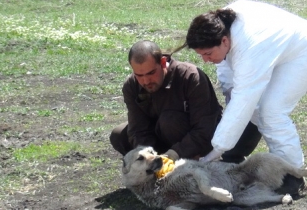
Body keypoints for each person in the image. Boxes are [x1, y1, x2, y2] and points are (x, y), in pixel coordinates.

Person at [184, 0, 307, 191]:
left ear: (224, 41)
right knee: (247, 103)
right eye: (201, 55)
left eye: (208, 53)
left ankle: (292, 175)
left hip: (306, 50)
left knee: (271, 110)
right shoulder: (221, 26)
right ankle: (235, 153)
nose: (205, 60)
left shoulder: (249, 47)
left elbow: (244, 98)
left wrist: (213, 153)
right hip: (276, 47)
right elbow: (231, 87)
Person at [109, 40, 261, 163]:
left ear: (163, 63)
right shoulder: (132, 85)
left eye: (151, 73)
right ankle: (157, 167)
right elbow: (138, 129)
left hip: (196, 142)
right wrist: (148, 155)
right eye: (139, 75)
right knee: (119, 135)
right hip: (160, 141)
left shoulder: (190, 77)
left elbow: (205, 128)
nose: (146, 80)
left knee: (169, 120)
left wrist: (175, 154)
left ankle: (187, 162)